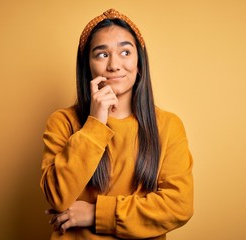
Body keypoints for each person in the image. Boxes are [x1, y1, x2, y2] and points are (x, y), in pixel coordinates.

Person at [40, 8, 193, 239]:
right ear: (87, 66)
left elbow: (178, 206)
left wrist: (96, 214)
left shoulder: (168, 126)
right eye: (102, 54)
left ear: (139, 62)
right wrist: (95, 124)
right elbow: (58, 196)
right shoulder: (63, 122)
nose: (114, 65)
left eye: (125, 52)